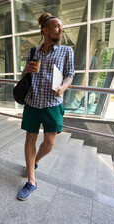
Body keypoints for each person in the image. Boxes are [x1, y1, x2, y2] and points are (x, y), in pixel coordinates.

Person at [17, 12, 75, 201]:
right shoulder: (33, 51)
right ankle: (31, 181)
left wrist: (63, 87)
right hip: (33, 102)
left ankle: (35, 162)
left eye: (61, 26)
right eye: (57, 26)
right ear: (45, 29)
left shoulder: (67, 51)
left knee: (50, 142)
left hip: (53, 103)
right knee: (30, 138)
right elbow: (24, 76)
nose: (61, 29)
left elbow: (70, 75)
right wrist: (25, 71)